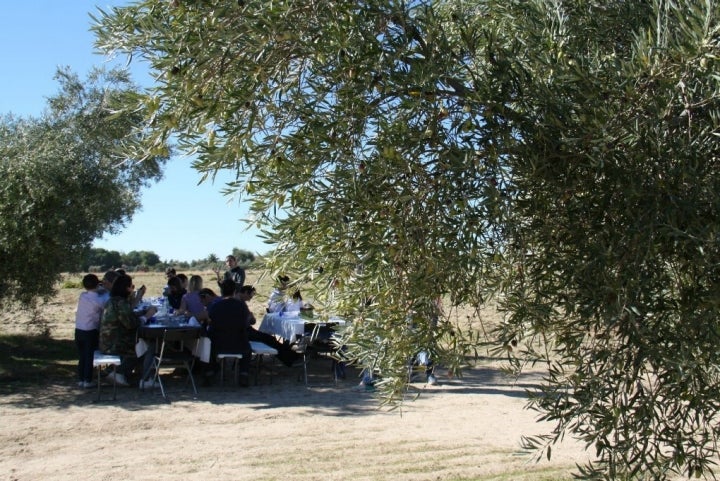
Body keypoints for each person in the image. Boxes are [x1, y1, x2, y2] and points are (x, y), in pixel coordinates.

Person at [99, 274, 157, 387]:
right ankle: (144, 379)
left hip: (107, 341)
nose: (132, 289)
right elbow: (131, 324)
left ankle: (123, 373)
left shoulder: (113, 301)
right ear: (126, 288)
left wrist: (142, 313)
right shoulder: (121, 303)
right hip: (115, 343)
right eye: (131, 286)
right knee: (148, 346)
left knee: (142, 345)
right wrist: (147, 316)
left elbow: (127, 316)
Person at [236, 285, 299, 367]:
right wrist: (249, 318)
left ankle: (291, 357)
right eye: (250, 296)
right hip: (244, 332)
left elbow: (252, 321)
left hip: (247, 330)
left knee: (270, 339)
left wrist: (250, 318)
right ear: (245, 292)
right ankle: (290, 358)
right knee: (269, 339)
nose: (250, 299)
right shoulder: (238, 303)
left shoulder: (242, 302)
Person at [206, 279, 252, 386]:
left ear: (221, 291)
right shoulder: (241, 306)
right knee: (248, 347)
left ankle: (210, 371)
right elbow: (246, 323)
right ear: (235, 291)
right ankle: (243, 373)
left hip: (218, 344)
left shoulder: (215, 306)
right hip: (239, 344)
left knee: (207, 341)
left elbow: (211, 323)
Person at [74, 274, 105, 388]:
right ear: (97, 284)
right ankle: (88, 380)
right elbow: (104, 300)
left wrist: (98, 286)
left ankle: (81, 379)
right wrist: (102, 287)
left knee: (82, 356)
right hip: (90, 330)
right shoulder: (99, 299)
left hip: (79, 329)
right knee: (89, 356)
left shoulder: (83, 296)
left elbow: (94, 291)